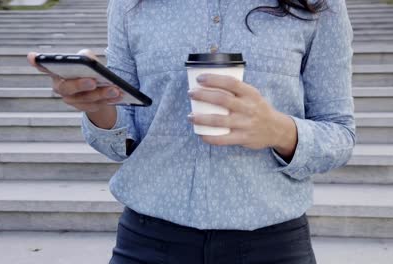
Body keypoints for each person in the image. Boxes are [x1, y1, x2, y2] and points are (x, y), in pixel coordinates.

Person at [28, 0, 355, 263]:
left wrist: (279, 131)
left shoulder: (317, 6)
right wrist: (97, 105)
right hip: (148, 243)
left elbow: (340, 133)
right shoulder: (130, 5)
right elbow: (123, 137)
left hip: (272, 245)